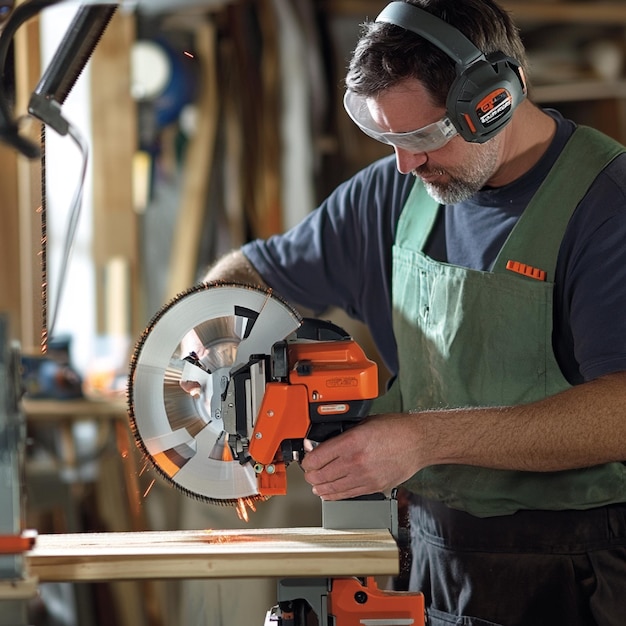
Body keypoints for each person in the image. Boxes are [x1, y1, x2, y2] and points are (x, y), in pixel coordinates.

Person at [203, 0, 626, 624]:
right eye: (390, 138)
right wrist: (217, 347)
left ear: (496, 100)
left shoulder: (604, 206)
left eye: (425, 136)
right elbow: (253, 274)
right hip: (429, 554)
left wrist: (422, 439)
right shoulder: (394, 191)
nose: (406, 163)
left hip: (573, 568)